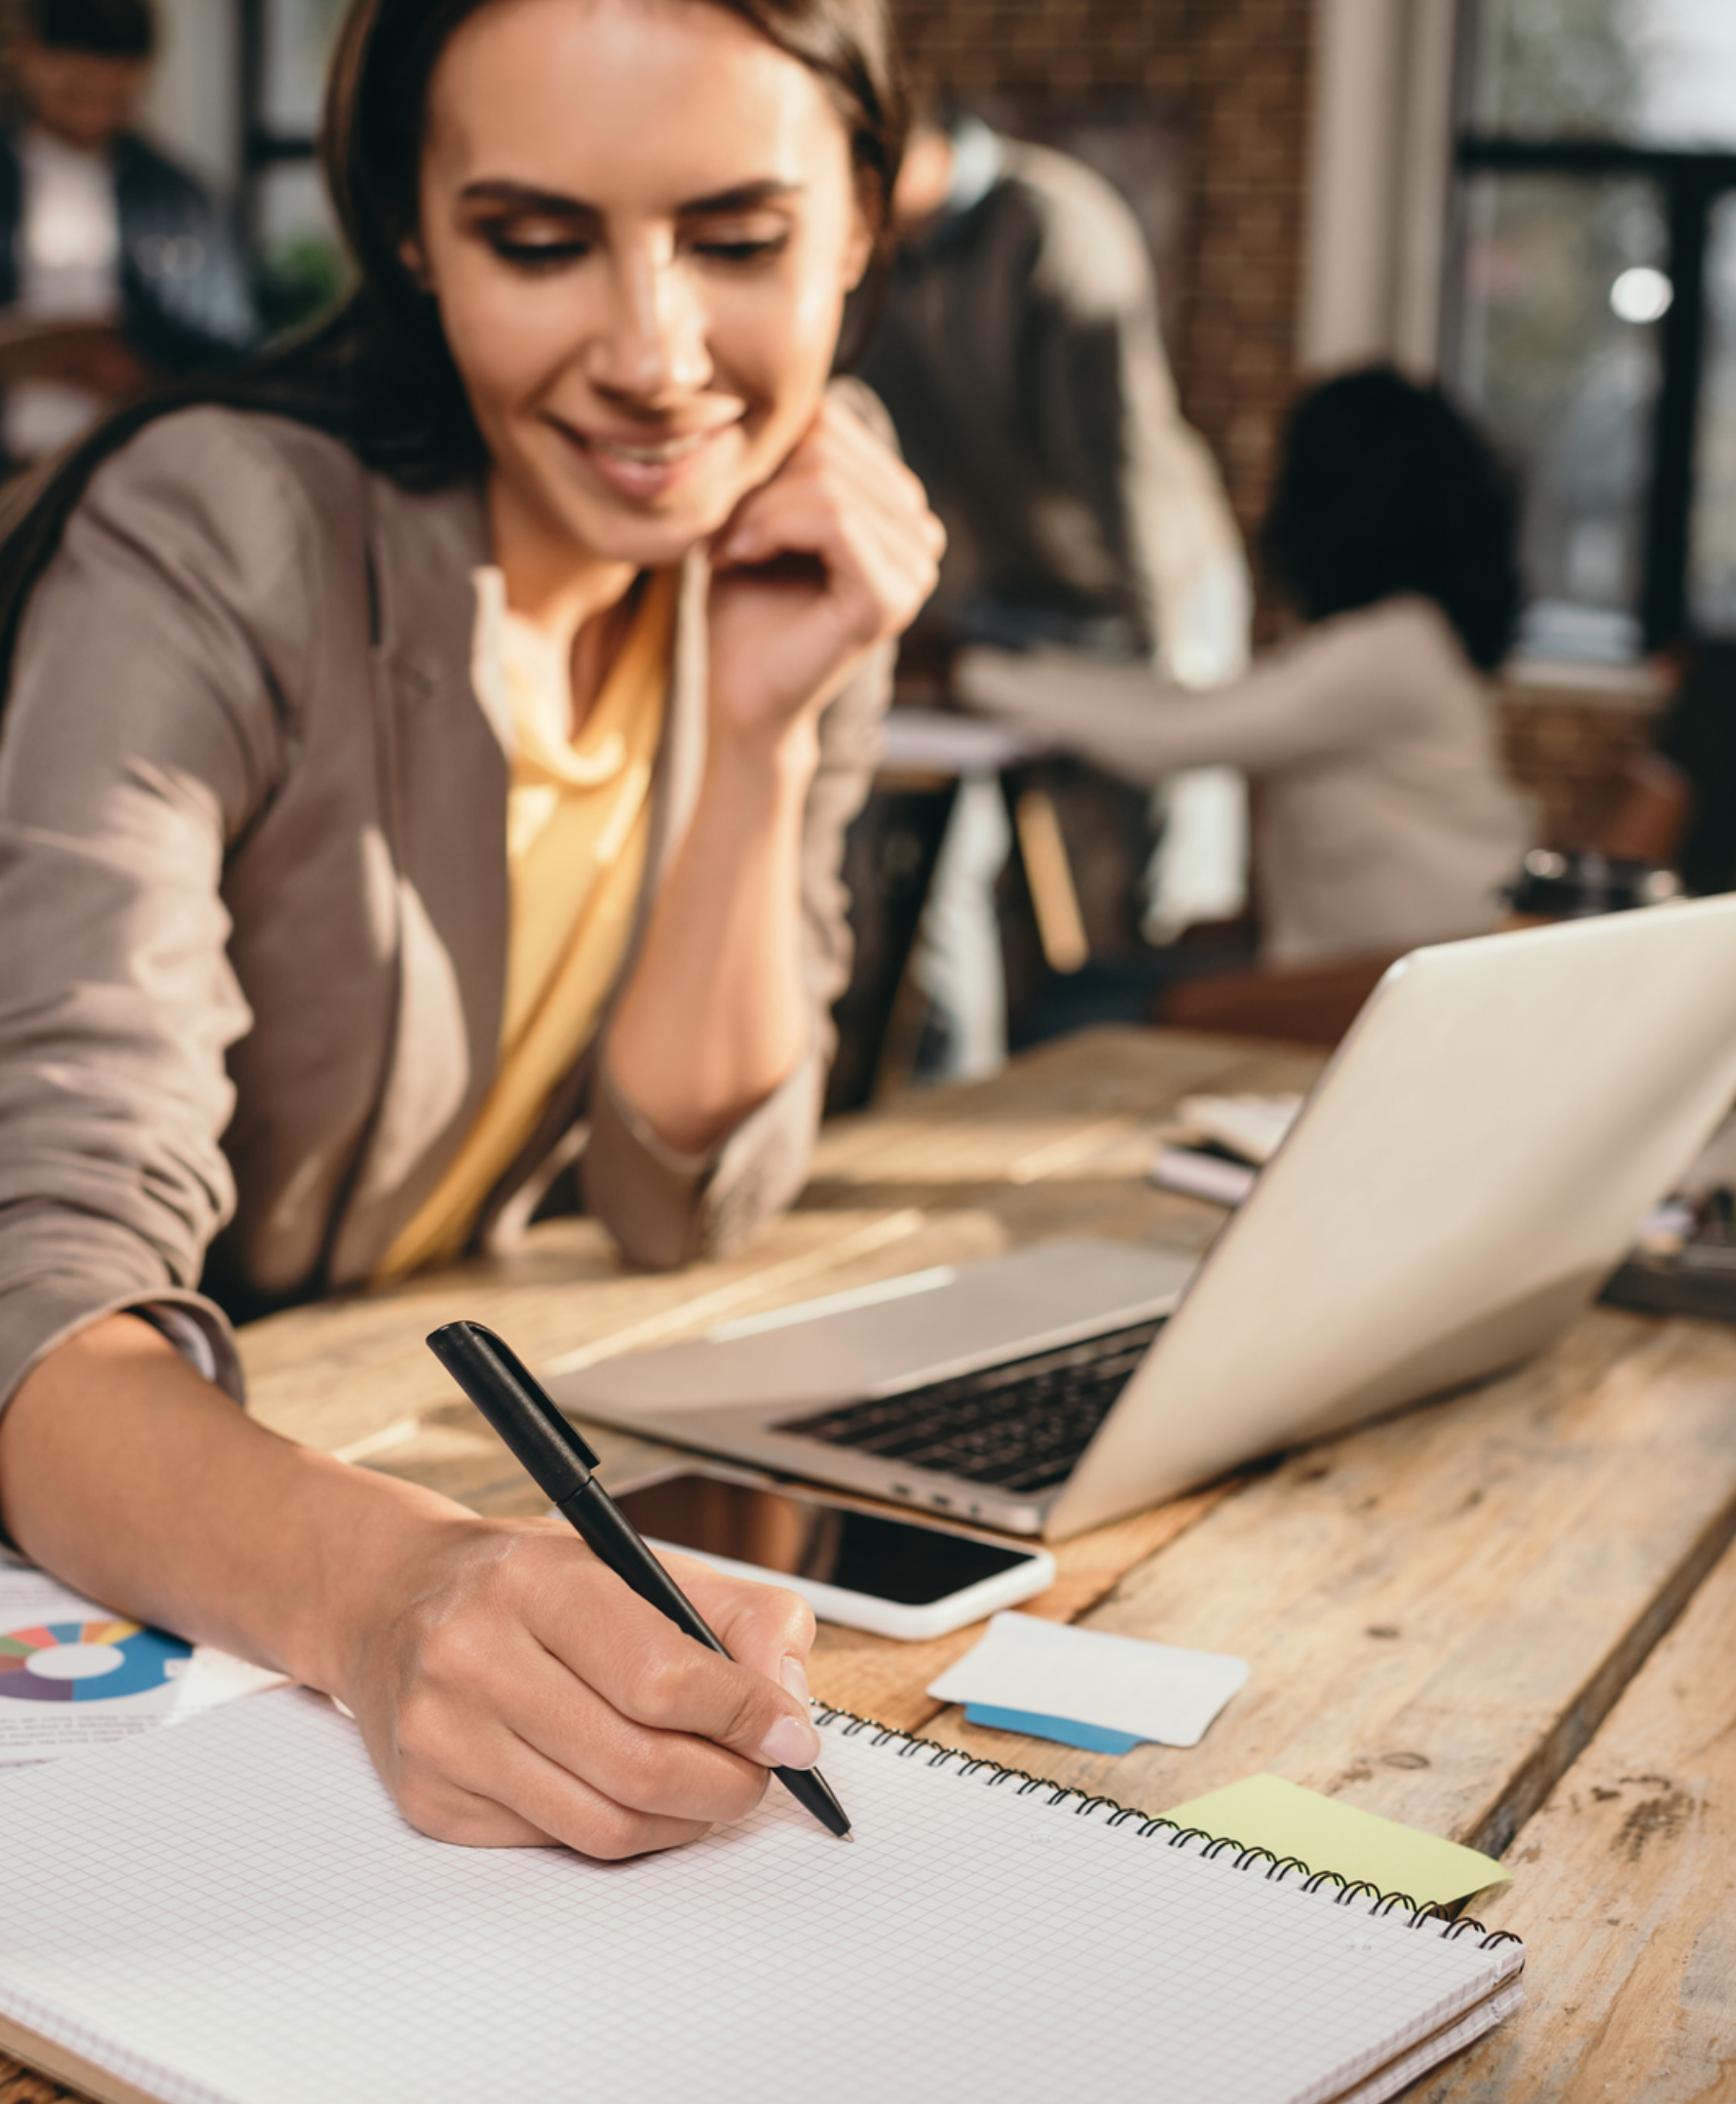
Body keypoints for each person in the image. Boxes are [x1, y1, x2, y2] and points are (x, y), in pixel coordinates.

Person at [0, 0, 942, 1860]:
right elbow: (41, 1311)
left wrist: (752, 736)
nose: (658, 357)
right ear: (412, 233)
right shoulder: (220, 536)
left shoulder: (795, 528)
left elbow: (687, 1198)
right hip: (155, 1595)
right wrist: (391, 1590)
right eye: (535, 240)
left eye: (739, 240)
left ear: (863, 221)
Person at [857, 107, 1250, 1068]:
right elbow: (895, 448)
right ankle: (961, 1092)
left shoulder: (1055, 225)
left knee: (1160, 869)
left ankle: (1146, 1080)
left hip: (1148, 585)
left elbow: (1122, 459)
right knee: (936, 854)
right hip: (1014, 592)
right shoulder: (877, 258)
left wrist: (1163, 670)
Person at [957, 367, 1533, 963]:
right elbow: (1180, 706)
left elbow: (1164, 738)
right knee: (1085, 988)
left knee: (1064, 1009)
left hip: (1372, 989)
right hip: (1366, 969)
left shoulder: (1393, 649)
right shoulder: (1400, 637)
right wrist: (1006, 668)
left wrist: (968, 674)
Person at [0, 0, 251, 466]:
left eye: (114, 99)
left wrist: (141, 374)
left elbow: (230, 360)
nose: (93, 116)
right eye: (76, 94)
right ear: (27, 57)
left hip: (135, 464)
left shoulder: (180, 202)